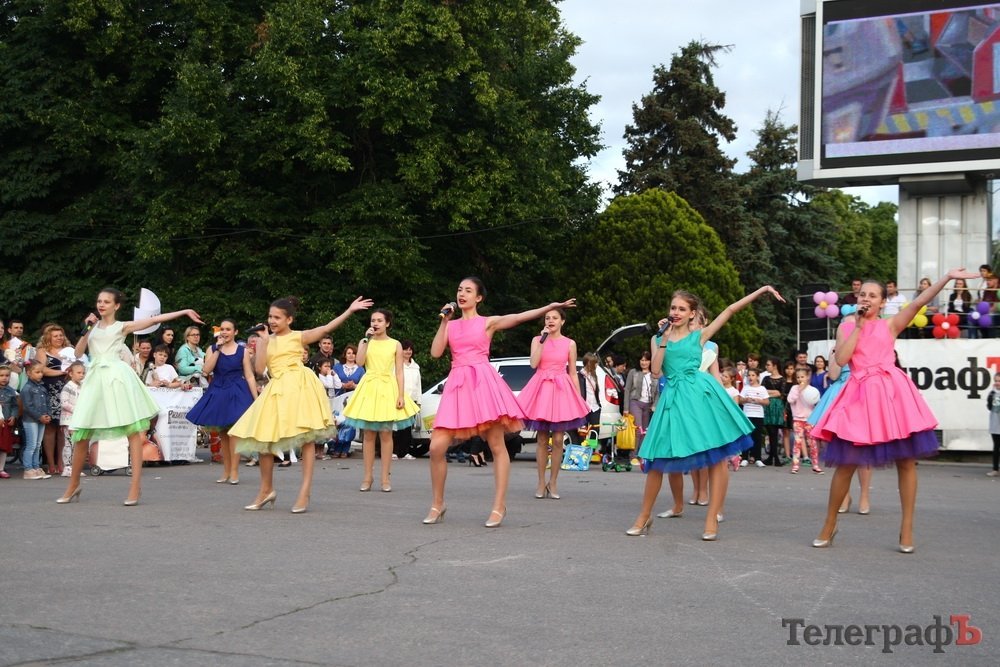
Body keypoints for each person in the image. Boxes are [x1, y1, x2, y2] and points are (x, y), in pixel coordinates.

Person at [811, 269, 978, 552]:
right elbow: (841, 359)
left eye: (872, 295)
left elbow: (917, 302)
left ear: (882, 302)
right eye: (862, 294)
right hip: (859, 395)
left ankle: (907, 527)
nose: (866, 298)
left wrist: (947, 278)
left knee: (907, 461)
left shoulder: (890, 325)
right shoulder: (848, 326)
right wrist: (860, 326)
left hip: (892, 396)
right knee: (846, 463)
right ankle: (829, 523)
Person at [626, 285, 784, 541]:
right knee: (655, 459)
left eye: (681, 309)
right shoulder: (657, 338)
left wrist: (762, 290)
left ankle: (712, 519)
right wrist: (664, 339)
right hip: (673, 399)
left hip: (701, 397)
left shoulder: (699, 335)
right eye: (673, 307)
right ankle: (643, 517)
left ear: (692, 313)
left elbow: (730, 310)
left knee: (716, 456)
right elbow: (656, 372)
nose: (675, 312)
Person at [422, 277, 575, 527]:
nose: (462, 294)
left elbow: (519, 316)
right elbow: (436, 352)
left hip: (483, 384)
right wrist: (444, 321)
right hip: (458, 385)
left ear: (478, 298)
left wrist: (549, 307)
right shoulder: (450, 324)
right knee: (437, 446)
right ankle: (438, 504)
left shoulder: (488, 322)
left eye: (468, 291)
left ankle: (498, 506)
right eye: (459, 289)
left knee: (496, 444)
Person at [57, 289, 202, 505]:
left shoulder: (121, 326)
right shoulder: (92, 327)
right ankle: (73, 485)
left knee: (133, 431)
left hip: (117, 378)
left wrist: (184, 312)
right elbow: (78, 354)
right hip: (96, 379)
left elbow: (154, 319)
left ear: (116, 306)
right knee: (81, 432)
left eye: (107, 302)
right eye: (99, 301)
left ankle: (135, 487)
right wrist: (86, 329)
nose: (102, 305)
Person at [230, 296, 372, 513]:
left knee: (306, 438)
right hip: (276, 389)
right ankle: (266, 489)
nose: (272, 320)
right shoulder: (264, 340)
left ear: (289, 319)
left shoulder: (298, 337)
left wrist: (349, 311)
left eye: (277, 317)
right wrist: (264, 343)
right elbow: (259, 369)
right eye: (270, 316)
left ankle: (304, 492)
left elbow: (325, 328)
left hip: (299, 386)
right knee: (263, 437)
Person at [342, 309, 419, 493]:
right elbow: (360, 362)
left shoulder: (395, 344)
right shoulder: (365, 341)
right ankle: (367, 477)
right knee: (368, 434)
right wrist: (365, 341)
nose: (375, 323)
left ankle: (385, 478)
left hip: (387, 386)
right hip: (369, 386)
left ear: (387, 323)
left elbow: (399, 371)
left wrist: (401, 395)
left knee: (386, 433)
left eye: (379, 320)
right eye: (373, 320)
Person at [517, 308, 589, 500]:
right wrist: (542, 341)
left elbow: (573, 372)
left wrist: (579, 398)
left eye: (555, 318)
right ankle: (541, 482)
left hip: (561, 389)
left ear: (562, 322)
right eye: (547, 318)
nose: (550, 321)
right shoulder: (536, 339)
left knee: (558, 439)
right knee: (541, 439)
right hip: (541, 388)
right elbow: (533, 364)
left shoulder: (570, 343)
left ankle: (554, 482)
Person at [186, 319, 259, 486]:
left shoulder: (242, 351)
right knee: (223, 434)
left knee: (234, 432)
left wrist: (256, 399)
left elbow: (249, 375)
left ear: (235, 332)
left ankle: (234, 471)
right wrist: (218, 348)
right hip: (218, 390)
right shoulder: (212, 348)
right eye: (222, 329)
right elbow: (206, 370)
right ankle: (226, 470)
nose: (225, 332)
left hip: (237, 391)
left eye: (228, 329)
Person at [806, 347, 872, 514]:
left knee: (863, 448)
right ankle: (845, 496)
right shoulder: (838, 348)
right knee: (842, 449)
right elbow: (834, 376)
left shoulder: (867, 346)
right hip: (840, 395)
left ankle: (864, 496)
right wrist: (835, 354)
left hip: (863, 394)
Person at [35, 325, 70, 475]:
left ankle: (62, 462)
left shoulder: (70, 350)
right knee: (50, 428)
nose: (59, 338)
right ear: (48, 337)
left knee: (63, 428)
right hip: (49, 392)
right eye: (55, 336)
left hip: (67, 392)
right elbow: (42, 370)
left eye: (61, 335)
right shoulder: (42, 351)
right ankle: (50, 463)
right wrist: (61, 371)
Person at [20, 361, 52, 479]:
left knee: (38, 445)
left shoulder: (42, 387)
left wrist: (48, 414)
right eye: (37, 372)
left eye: (41, 372)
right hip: (30, 420)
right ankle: (28, 469)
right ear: (28, 373)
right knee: (31, 445)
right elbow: (27, 407)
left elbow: (47, 402)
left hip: (41, 419)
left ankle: (36, 467)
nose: (40, 374)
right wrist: (39, 416)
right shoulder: (27, 388)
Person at [787, 366, 822, 474]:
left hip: (809, 419)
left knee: (812, 443)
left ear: (807, 377)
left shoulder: (812, 390)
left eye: (802, 377)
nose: (800, 379)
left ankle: (815, 465)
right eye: (798, 377)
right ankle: (795, 465)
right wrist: (799, 391)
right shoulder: (794, 389)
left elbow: (816, 402)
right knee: (797, 442)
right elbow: (790, 400)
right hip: (797, 419)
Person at [623, 351, 658, 454]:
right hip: (635, 402)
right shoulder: (633, 372)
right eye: (642, 360)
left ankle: (641, 455)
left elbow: (658, 392)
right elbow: (627, 389)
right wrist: (626, 408)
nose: (644, 362)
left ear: (650, 361)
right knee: (638, 429)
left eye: (646, 360)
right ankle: (633, 455)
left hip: (648, 405)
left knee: (645, 431)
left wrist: (655, 405)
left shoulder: (655, 374)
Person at [394, 340, 422, 460]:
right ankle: (394, 451)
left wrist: (418, 402)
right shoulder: (396, 365)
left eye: (410, 349)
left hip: (412, 400)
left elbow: (418, 385)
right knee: (396, 427)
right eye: (405, 349)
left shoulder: (416, 367)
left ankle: (404, 452)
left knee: (407, 428)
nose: (408, 352)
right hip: (399, 399)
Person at [58, 362, 86, 477]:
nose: (82, 375)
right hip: (69, 420)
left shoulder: (82, 387)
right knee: (69, 443)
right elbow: (64, 403)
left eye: (83, 373)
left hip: (78, 419)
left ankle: (75, 467)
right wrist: (77, 410)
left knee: (76, 444)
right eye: (78, 373)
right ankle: (67, 467)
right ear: (70, 373)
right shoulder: (68, 387)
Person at [738, 368, 769, 468]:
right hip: (747, 414)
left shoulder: (762, 389)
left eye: (753, 375)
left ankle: (758, 458)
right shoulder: (746, 388)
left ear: (757, 377)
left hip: (758, 415)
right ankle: (744, 458)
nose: (750, 377)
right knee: (746, 435)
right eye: (749, 375)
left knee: (757, 437)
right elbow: (740, 400)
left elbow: (767, 402)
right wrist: (746, 399)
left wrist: (759, 401)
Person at [0, 365, 19, 478]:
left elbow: (15, 406)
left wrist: (13, 416)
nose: (4, 378)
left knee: (4, 447)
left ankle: (1, 468)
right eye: (1, 375)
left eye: (7, 375)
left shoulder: (11, 391)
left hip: (5, 423)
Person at [987, 372, 1000, 477]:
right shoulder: (992, 393)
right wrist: (992, 396)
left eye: (999, 381)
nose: (997, 383)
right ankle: (995, 469)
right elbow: (990, 407)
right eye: (996, 381)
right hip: (995, 424)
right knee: (996, 447)